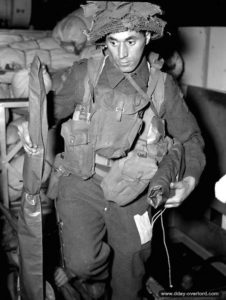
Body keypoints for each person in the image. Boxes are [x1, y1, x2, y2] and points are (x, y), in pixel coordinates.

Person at [18, 2, 206, 299]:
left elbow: (192, 139)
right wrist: (32, 127)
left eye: (130, 41)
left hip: (135, 188)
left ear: (146, 37)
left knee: (131, 269)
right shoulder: (84, 74)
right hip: (81, 179)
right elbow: (50, 114)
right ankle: (94, 284)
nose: (121, 54)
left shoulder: (162, 86)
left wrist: (189, 181)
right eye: (113, 42)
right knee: (82, 263)